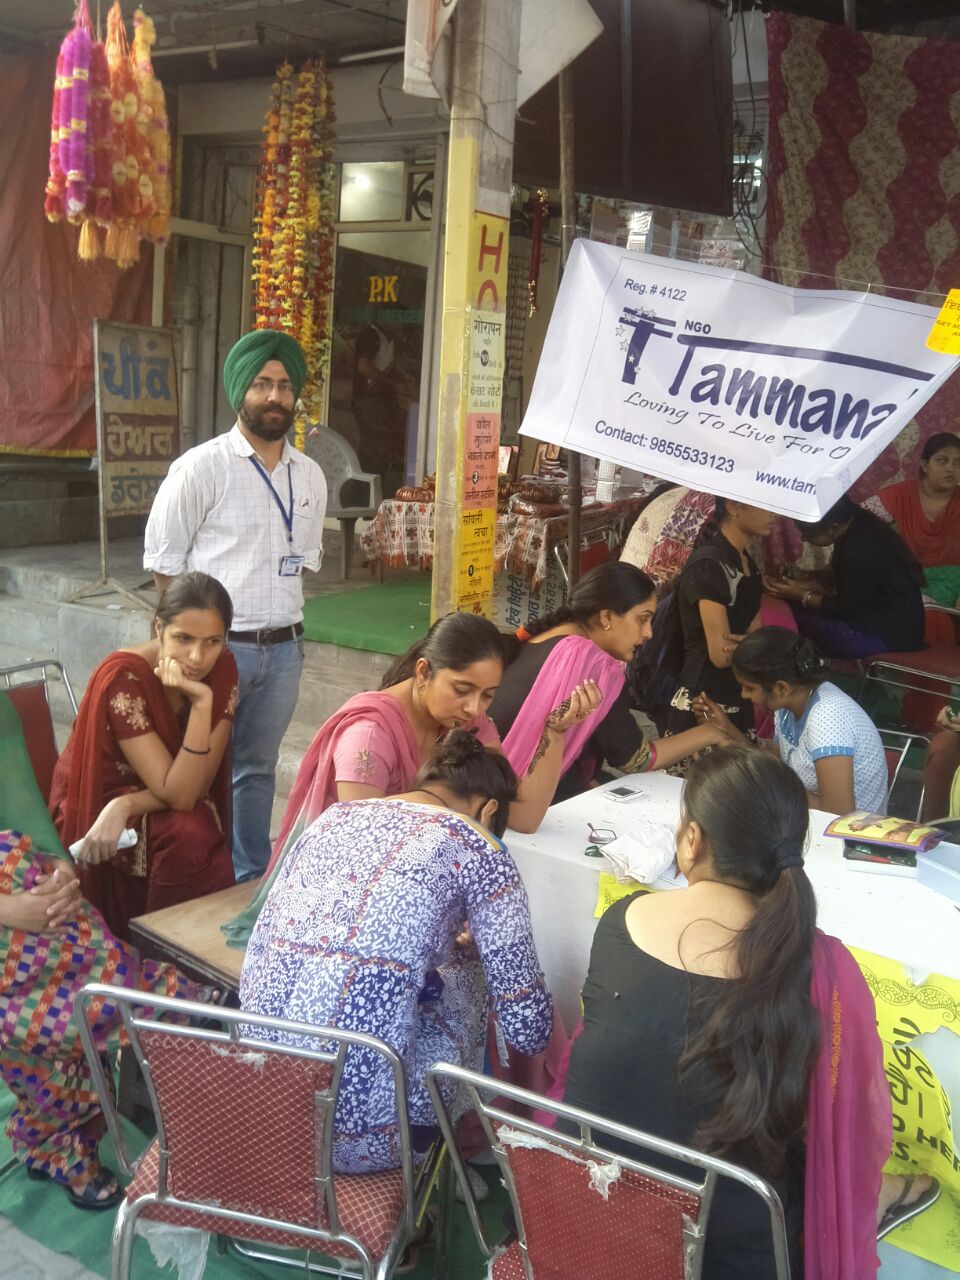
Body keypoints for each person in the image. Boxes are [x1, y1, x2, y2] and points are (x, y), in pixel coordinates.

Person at [562, 746, 938, 1280]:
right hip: (732, 1257)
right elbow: (841, 1126)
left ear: (692, 840)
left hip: (583, 1219)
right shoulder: (820, 969)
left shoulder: (624, 918)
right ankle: (885, 1197)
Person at [240, 730, 552, 1174]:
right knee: (470, 974)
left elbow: (258, 958)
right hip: (357, 1139)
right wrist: (474, 960)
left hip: (259, 1100)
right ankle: (437, 1150)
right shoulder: (479, 849)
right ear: (488, 810)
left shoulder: (331, 819)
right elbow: (528, 1031)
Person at [223, 610, 600, 947]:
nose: (474, 707)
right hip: (342, 903)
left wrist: (554, 733)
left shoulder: (470, 724)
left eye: (488, 696)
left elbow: (523, 815)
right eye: (462, 690)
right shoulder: (369, 735)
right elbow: (363, 856)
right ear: (423, 672)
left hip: (408, 888)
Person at [0, 692, 197, 1210]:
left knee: (17, 865)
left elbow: (28, 820)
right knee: (50, 996)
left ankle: (64, 1121)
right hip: (10, 923)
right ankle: (52, 1136)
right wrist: (8, 910)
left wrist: (60, 877)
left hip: (28, 907)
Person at [144, 329, 327, 883]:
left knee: (256, 768)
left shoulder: (309, 476)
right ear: (240, 392)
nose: (275, 396)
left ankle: (247, 876)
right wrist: (188, 645)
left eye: (285, 386)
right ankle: (192, 873)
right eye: (262, 384)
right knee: (199, 763)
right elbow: (165, 566)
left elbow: (301, 562)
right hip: (219, 651)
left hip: (285, 649)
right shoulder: (201, 468)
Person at [49, 573, 237, 941]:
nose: (197, 657)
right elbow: (181, 793)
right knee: (192, 834)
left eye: (212, 642)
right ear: (159, 629)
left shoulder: (221, 669)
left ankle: (187, 951)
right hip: (94, 803)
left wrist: (201, 701)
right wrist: (117, 803)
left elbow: (193, 788)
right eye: (183, 639)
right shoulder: (125, 678)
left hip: (151, 798)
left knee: (192, 831)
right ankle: (166, 949)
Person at [488, 562, 728, 802]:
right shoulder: (593, 665)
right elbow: (635, 758)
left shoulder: (546, 636)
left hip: (487, 783)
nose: (649, 633)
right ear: (607, 617)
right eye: (642, 619)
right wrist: (709, 733)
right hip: (514, 800)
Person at [694, 627, 888, 815]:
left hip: (846, 832)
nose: (744, 695)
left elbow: (837, 815)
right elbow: (774, 764)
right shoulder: (789, 704)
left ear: (781, 688)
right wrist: (726, 729)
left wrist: (770, 780)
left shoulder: (827, 718)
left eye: (749, 688)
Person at [662, 498, 771, 743]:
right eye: (765, 504)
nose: (774, 514)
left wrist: (751, 646)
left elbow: (758, 635)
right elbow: (721, 654)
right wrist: (755, 647)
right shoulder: (710, 566)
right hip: (704, 698)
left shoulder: (747, 565)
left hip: (737, 689)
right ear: (733, 506)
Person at [765, 496, 925, 659]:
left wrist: (799, 595)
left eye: (808, 533)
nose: (803, 539)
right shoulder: (859, 524)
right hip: (899, 631)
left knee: (784, 608)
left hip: (884, 638)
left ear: (833, 528)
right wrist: (809, 579)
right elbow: (855, 581)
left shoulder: (857, 548)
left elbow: (846, 609)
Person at [864, 432, 960, 608]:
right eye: (942, 461)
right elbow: (858, 526)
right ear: (925, 465)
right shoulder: (899, 495)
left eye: (958, 463)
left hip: (954, 587)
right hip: (905, 582)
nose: (951, 469)